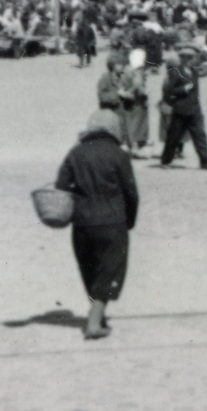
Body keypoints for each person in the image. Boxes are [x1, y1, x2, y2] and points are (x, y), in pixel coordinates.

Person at [55, 110, 139, 340]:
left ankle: (96, 312)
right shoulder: (119, 155)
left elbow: (61, 186)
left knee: (90, 270)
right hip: (113, 223)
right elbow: (131, 193)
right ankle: (93, 322)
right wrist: (129, 220)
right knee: (110, 270)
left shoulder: (76, 153)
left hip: (82, 223)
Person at [159, 46, 207, 169]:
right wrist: (183, 89)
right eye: (187, 57)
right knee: (173, 137)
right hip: (181, 110)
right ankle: (166, 161)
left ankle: (205, 162)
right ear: (182, 59)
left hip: (195, 110)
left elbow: (205, 69)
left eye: (192, 57)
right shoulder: (175, 72)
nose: (190, 60)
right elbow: (170, 91)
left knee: (200, 136)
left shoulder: (194, 71)